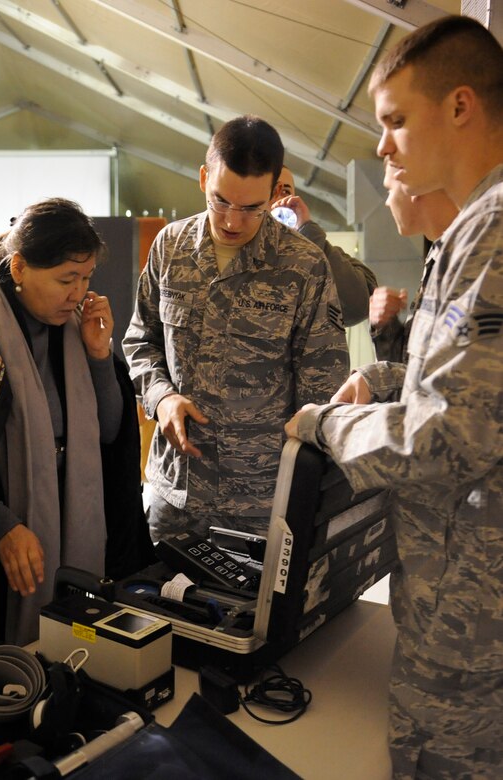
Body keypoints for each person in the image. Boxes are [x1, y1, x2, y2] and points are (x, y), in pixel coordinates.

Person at [285, 15, 502, 779]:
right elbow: (458, 380)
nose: (381, 148)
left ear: (460, 106)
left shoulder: (494, 234)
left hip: (474, 637)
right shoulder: (474, 235)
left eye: (395, 122)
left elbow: (446, 437)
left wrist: (326, 425)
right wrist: (381, 380)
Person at [123, 115, 349, 542]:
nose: (232, 220)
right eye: (221, 201)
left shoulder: (302, 266)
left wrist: (305, 493)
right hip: (174, 492)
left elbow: (323, 389)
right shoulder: (169, 247)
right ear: (204, 177)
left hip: (260, 506)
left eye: (251, 208)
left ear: (275, 194)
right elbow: (141, 338)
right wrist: (162, 397)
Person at [0, 198, 155, 646]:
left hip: (65, 532)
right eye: (66, 279)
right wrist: (0, 524)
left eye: (85, 278)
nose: (78, 294)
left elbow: (109, 435)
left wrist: (100, 356)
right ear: (19, 268)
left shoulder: (74, 325)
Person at [370, 161, 458, 362]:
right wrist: (386, 327)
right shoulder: (438, 255)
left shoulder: (468, 251)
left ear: (413, 188)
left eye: (389, 190)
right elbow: (411, 365)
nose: (387, 201)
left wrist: (372, 380)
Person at [271, 166, 377, 326]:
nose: (279, 199)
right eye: (271, 191)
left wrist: (308, 232)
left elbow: (360, 304)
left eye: (286, 192)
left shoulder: (316, 252)